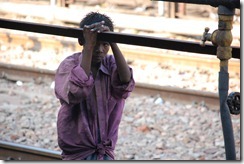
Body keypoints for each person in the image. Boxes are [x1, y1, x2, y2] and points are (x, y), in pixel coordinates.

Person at [54, 12, 135, 160]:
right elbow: (77, 91)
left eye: (105, 45)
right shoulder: (69, 65)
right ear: (82, 41)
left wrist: (113, 41)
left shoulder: (111, 64)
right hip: (77, 150)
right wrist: (88, 47)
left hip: (105, 149)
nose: (99, 50)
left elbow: (125, 82)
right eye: (95, 44)